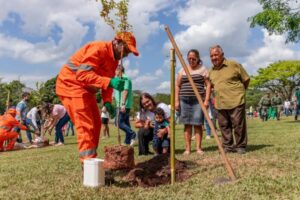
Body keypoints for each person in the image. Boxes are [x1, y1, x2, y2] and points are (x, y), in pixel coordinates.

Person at [56, 32, 139, 164]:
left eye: (129, 52)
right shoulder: (98, 48)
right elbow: (82, 75)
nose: (127, 55)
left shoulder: (114, 61)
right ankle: (87, 164)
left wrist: (107, 101)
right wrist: (110, 82)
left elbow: (108, 84)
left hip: (87, 89)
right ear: (117, 42)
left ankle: (91, 160)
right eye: (126, 50)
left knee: (96, 123)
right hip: (70, 85)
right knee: (85, 125)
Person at [209, 45, 250, 154]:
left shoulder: (234, 65)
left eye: (216, 55)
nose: (213, 57)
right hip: (220, 103)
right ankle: (228, 146)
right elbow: (211, 86)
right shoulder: (211, 71)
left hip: (236, 100)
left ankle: (240, 145)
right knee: (224, 125)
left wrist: (240, 92)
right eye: (211, 56)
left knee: (238, 124)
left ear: (222, 55)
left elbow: (246, 79)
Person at [175, 49, 211, 155]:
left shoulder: (203, 69)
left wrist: (206, 100)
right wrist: (176, 100)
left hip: (198, 101)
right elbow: (177, 85)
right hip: (184, 100)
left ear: (198, 58)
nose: (191, 60)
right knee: (187, 125)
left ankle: (198, 148)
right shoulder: (183, 70)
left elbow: (208, 85)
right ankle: (187, 149)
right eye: (189, 58)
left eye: (193, 58)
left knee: (198, 124)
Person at [114, 65, 136, 146]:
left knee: (118, 123)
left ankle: (133, 134)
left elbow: (125, 91)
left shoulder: (125, 78)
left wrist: (122, 104)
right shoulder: (120, 79)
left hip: (123, 105)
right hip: (122, 104)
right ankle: (127, 140)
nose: (114, 72)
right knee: (126, 123)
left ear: (119, 70)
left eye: (115, 70)